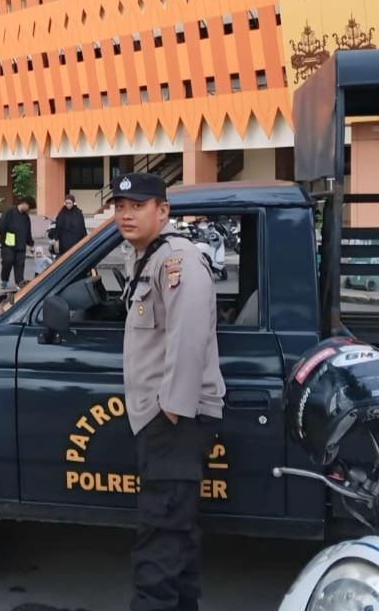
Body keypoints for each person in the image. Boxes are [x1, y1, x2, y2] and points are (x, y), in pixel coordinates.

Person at [109, 172, 224, 611]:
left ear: (163, 210)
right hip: (163, 419)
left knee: (157, 537)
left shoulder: (178, 260)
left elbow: (188, 334)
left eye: (137, 205)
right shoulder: (147, 257)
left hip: (175, 420)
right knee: (177, 532)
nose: (126, 214)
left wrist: (171, 411)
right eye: (120, 206)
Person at [0, 196, 34, 289]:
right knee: (8, 261)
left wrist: (31, 244)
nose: (29, 210)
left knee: (20, 264)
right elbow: (1, 224)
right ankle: (4, 280)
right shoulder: (10, 212)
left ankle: (19, 282)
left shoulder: (26, 217)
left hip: (20, 245)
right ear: (24, 203)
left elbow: (28, 232)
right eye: (29, 207)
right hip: (8, 244)